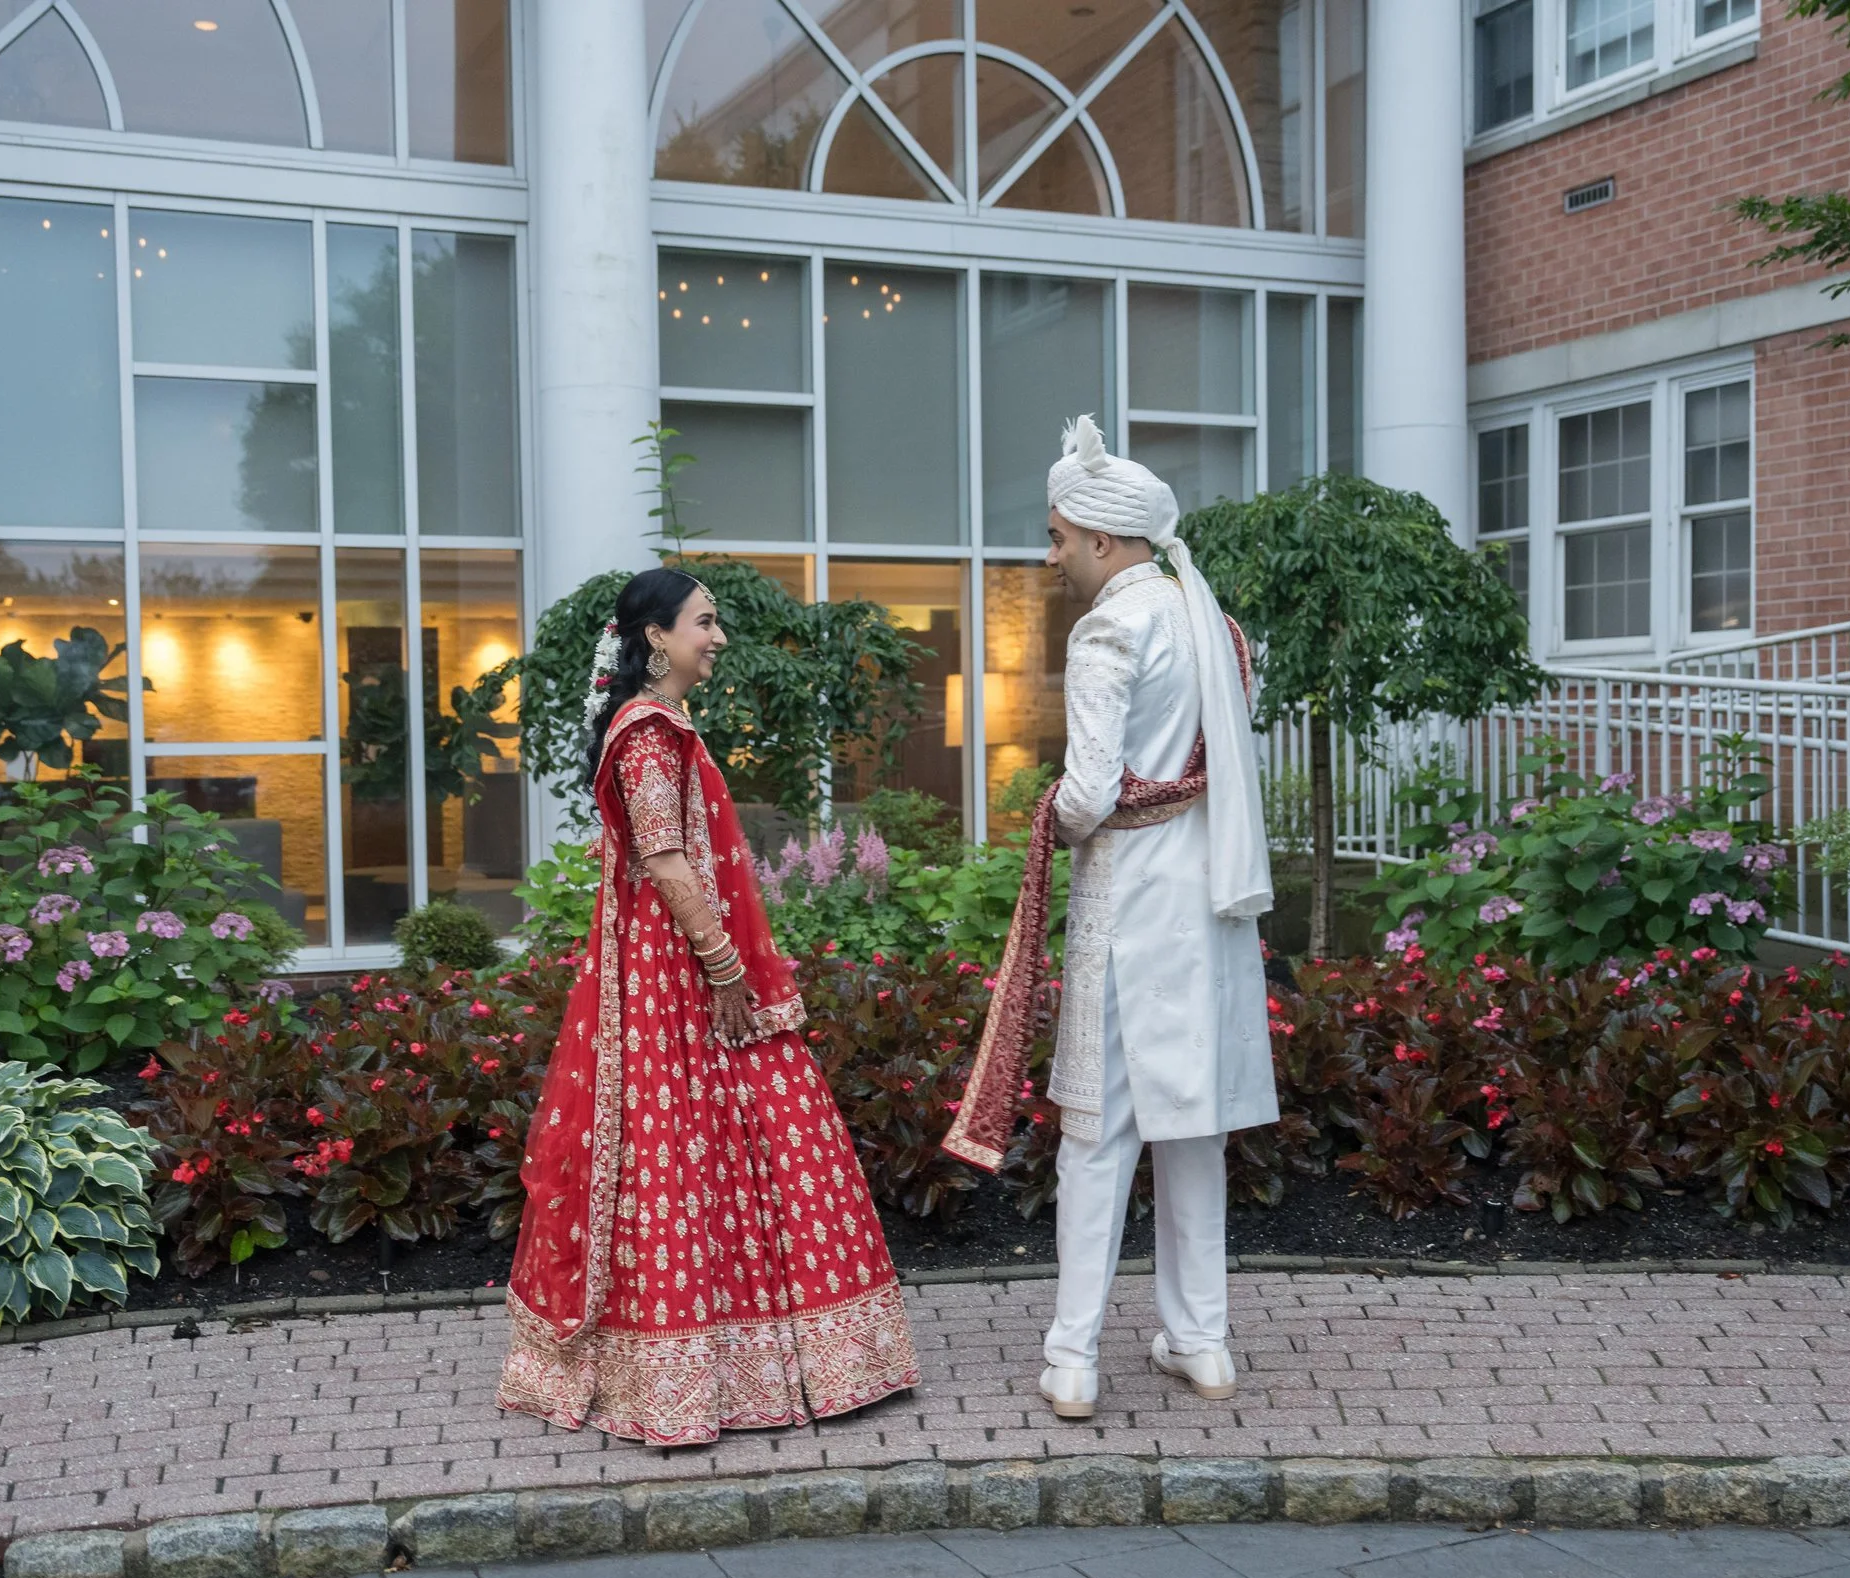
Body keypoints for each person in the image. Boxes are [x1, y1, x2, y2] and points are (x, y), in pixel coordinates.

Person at [497, 567, 921, 1445]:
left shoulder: (666, 726)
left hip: (672, 960)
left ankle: (750, 1361)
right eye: (705, 621)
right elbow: (666, 863)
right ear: (656, 637)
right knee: (680, 1143)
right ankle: (681, 1376)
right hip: (672, 971)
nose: (717, 637)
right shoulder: (648, 735)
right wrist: (727, 970)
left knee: (726, 1138)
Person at [944, 415, 1276, 1418]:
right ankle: (1202, 1340)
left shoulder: (1109, 627)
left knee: (1097, 1130)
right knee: (1193, 1129)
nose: (1048, 558)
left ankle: (1072, 1356)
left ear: (1101, 538)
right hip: (1209, 901)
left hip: (1127, 899)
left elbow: (1089, 791)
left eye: (1055, 537)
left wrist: (1048, 809)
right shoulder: (1212, 624)